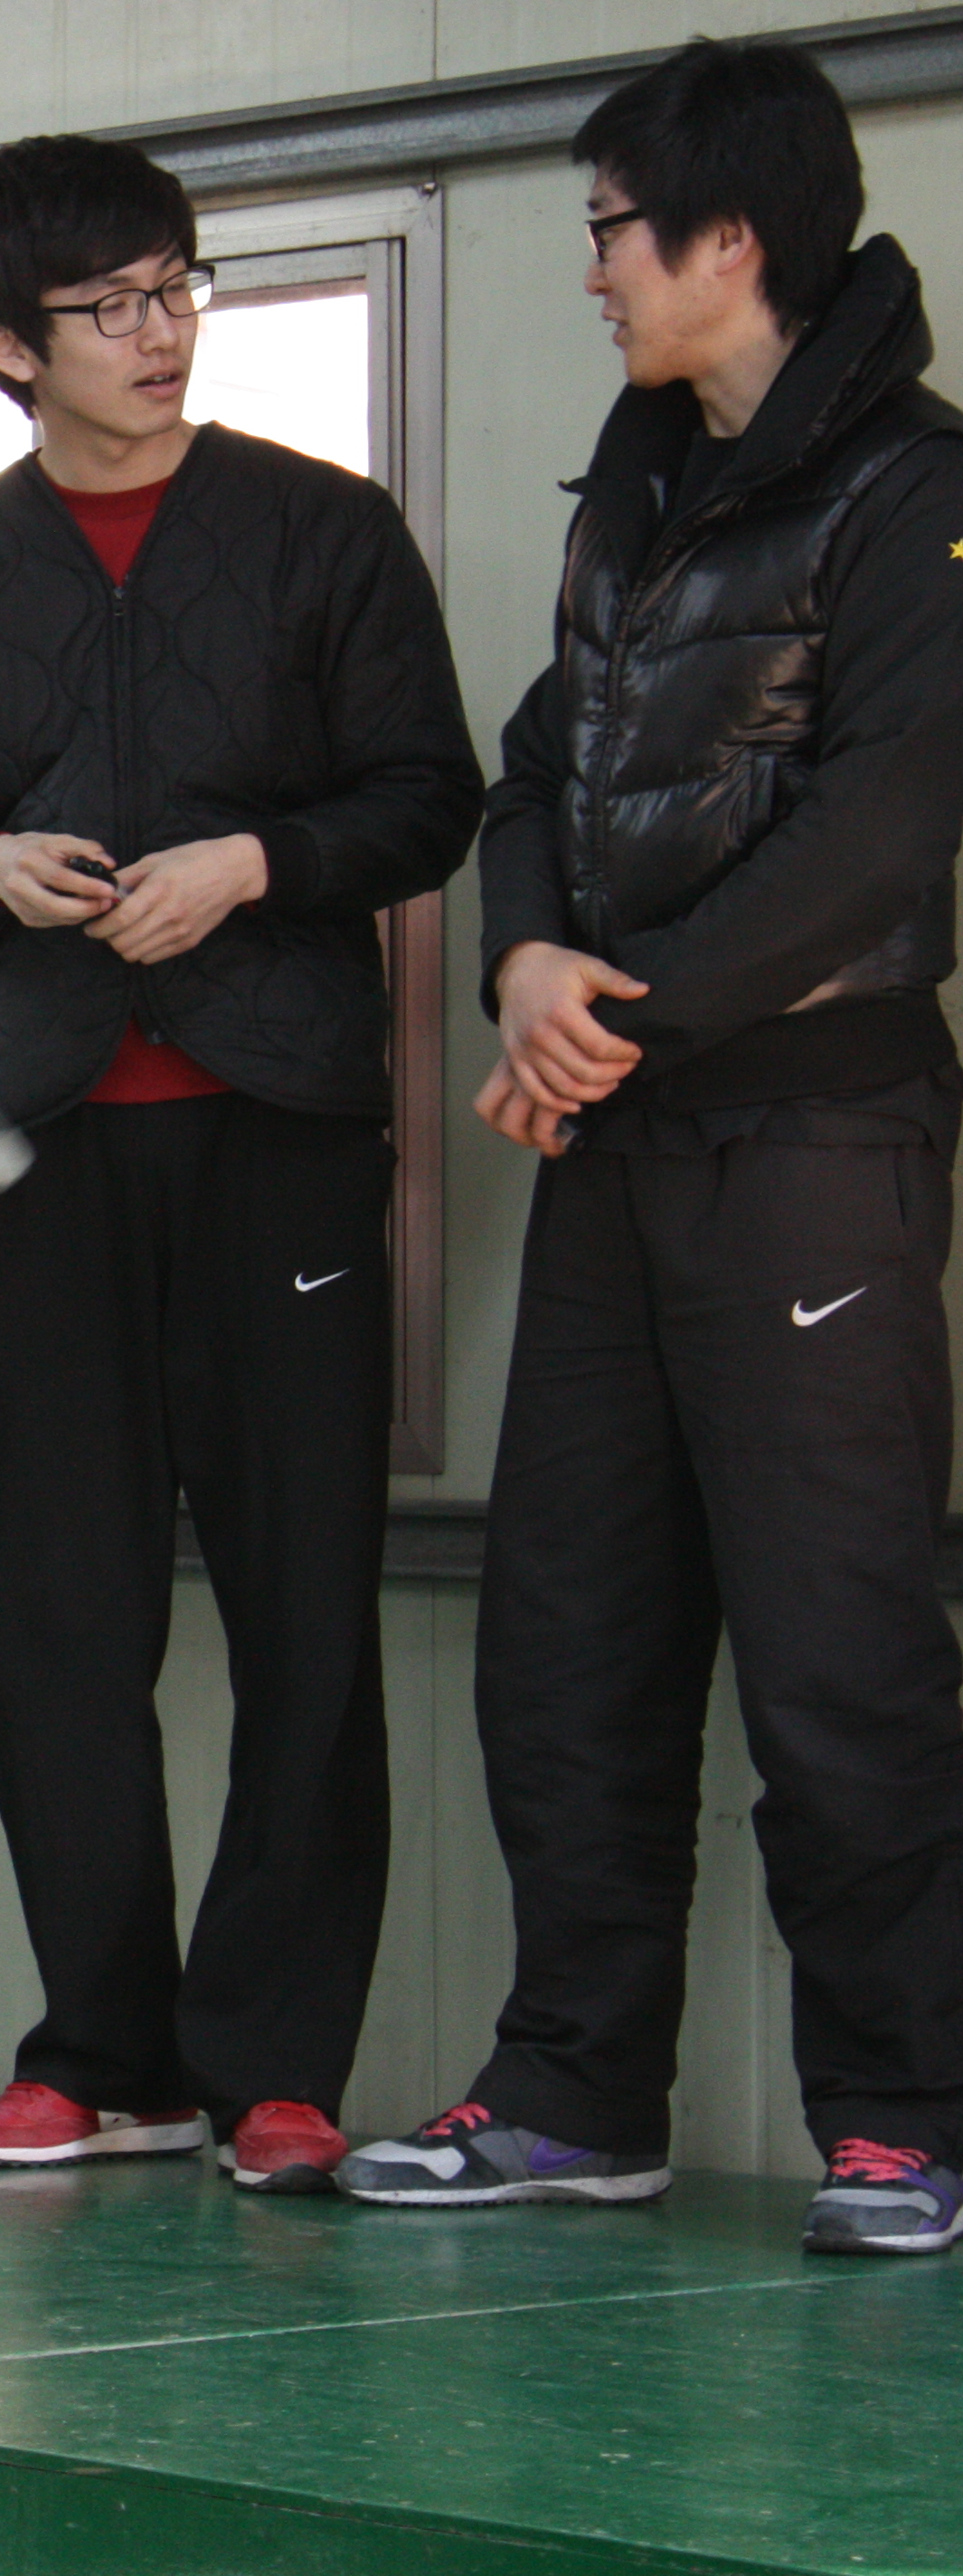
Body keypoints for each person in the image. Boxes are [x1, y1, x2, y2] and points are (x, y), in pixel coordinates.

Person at [336, 42, 963, 2256]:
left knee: (840, 1645)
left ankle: (909, 2116)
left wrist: (620, 1018)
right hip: (619, 1130)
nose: (591, 270)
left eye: (611, 227)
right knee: (569, 1637)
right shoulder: (639, 486)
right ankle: (572, 2092)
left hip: (812, 1131)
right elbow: (536, 770)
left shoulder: (914, 489)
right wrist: (525, 962)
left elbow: (887, 823)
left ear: (731, 238)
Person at [0, 135, 483, 2191]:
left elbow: (432, 799)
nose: (160, 329)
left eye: (177, 285)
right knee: (64, 1611)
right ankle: (101, 2055)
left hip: (282, 1136)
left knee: (306, 1603)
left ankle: (277, 2064)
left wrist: (257, 862)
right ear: (4, 345)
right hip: (40, 1151)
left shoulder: (324, 531)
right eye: (111, 304)